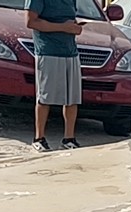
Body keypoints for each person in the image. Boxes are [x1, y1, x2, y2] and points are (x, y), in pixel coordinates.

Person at [25, 0, 84, 151]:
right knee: (45, 97)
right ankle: (39, 138)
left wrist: (75, 27)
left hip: (70, 51)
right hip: (48, 50)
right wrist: (63, 28)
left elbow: (69, 18)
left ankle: (69, 139)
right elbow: (31, 21)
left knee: (72, 98)